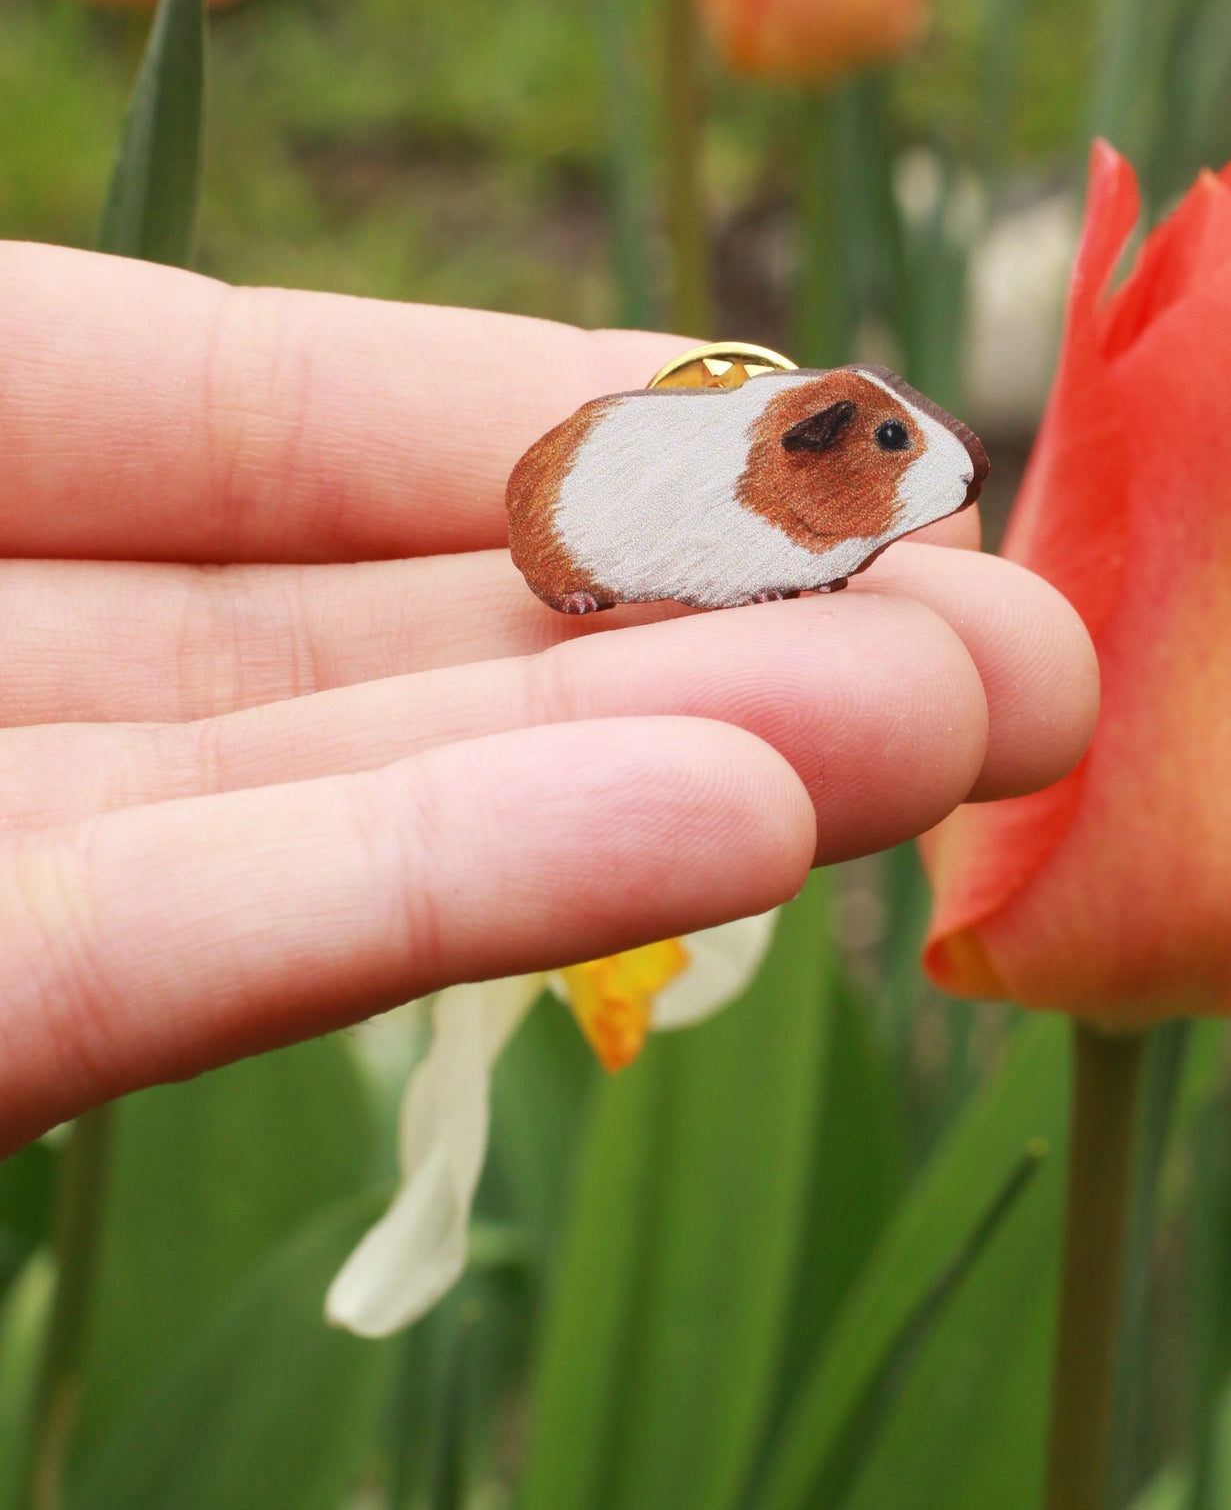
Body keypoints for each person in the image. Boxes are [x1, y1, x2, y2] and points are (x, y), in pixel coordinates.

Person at [0, 242, 1098, 1152]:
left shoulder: (796, 489)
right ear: (810, 450)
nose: (935, 462)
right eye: (898, 444)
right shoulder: (742, 484)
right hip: (589, 561)